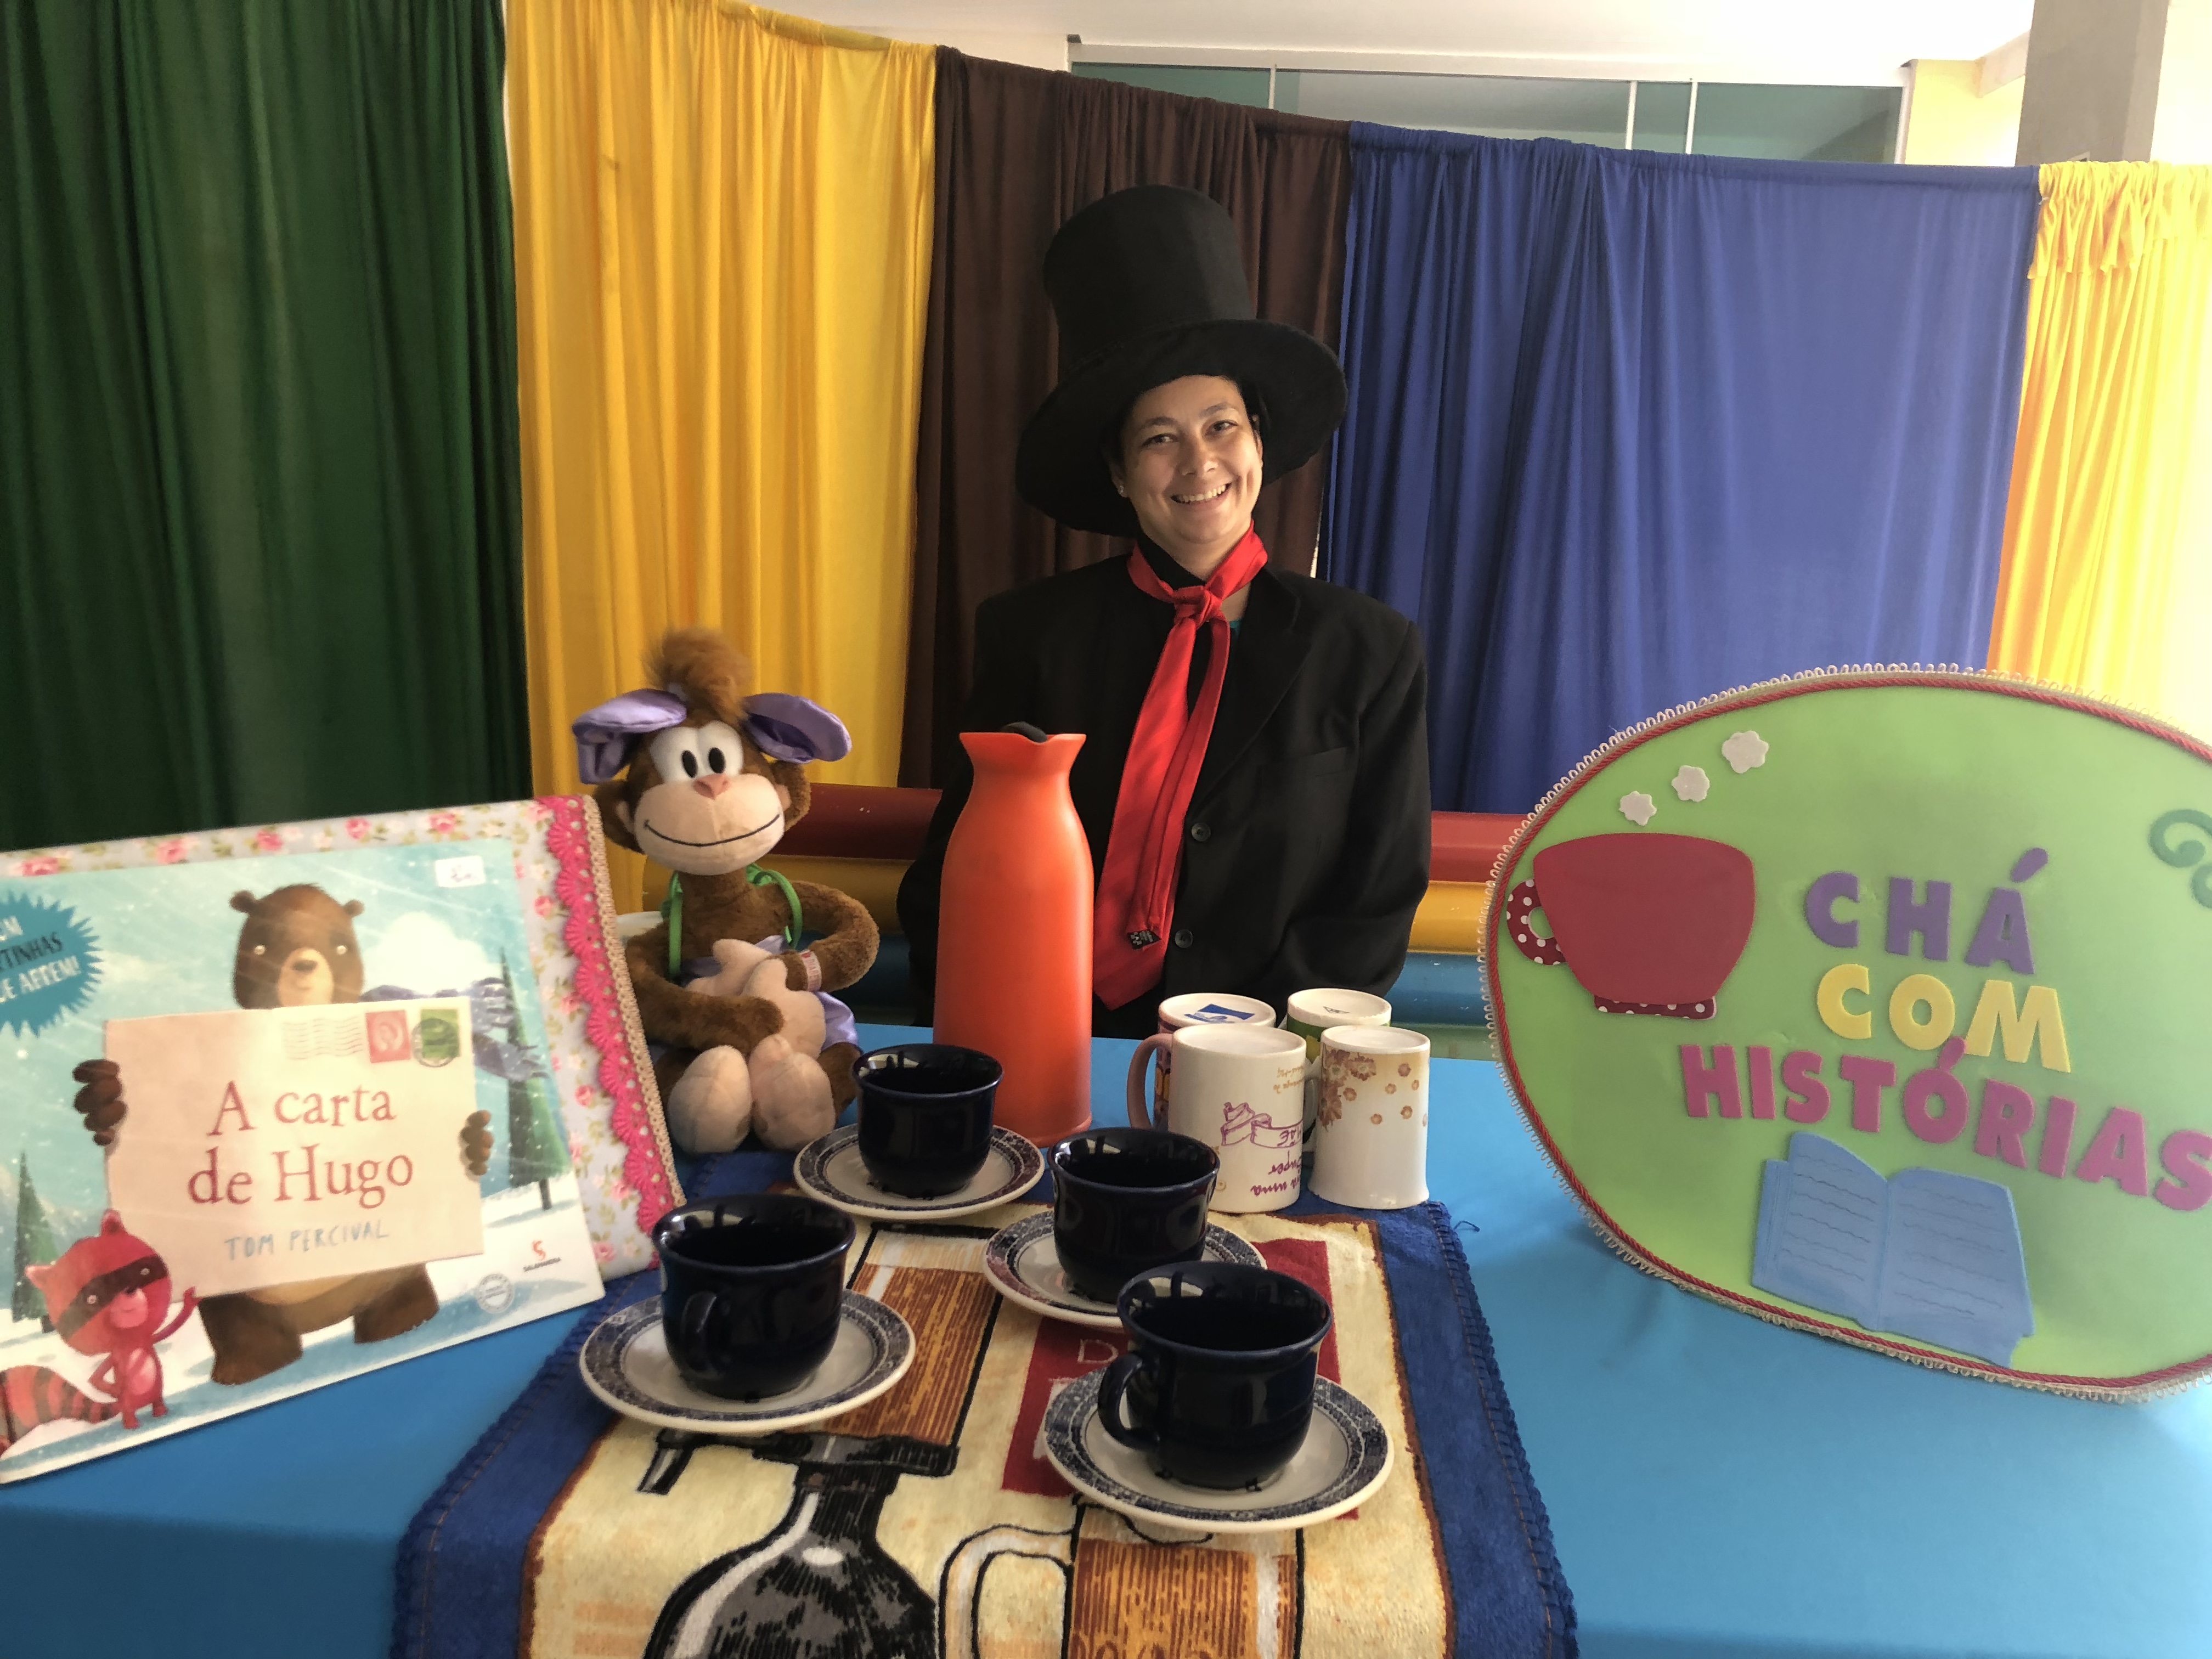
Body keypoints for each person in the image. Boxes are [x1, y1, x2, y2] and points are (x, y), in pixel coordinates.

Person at [898, 184, 1430, 1038]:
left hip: (1266, 1061)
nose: (1198, 462)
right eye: (1158, 437)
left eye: (1222, 426)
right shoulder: (1031, 637)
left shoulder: (1370, 651)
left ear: (1259, 442)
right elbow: (960, 871)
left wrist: (1247, 1046)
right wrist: (1001, 1029)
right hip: (1050, 1039)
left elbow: (1375, 899)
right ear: (1119, 473)